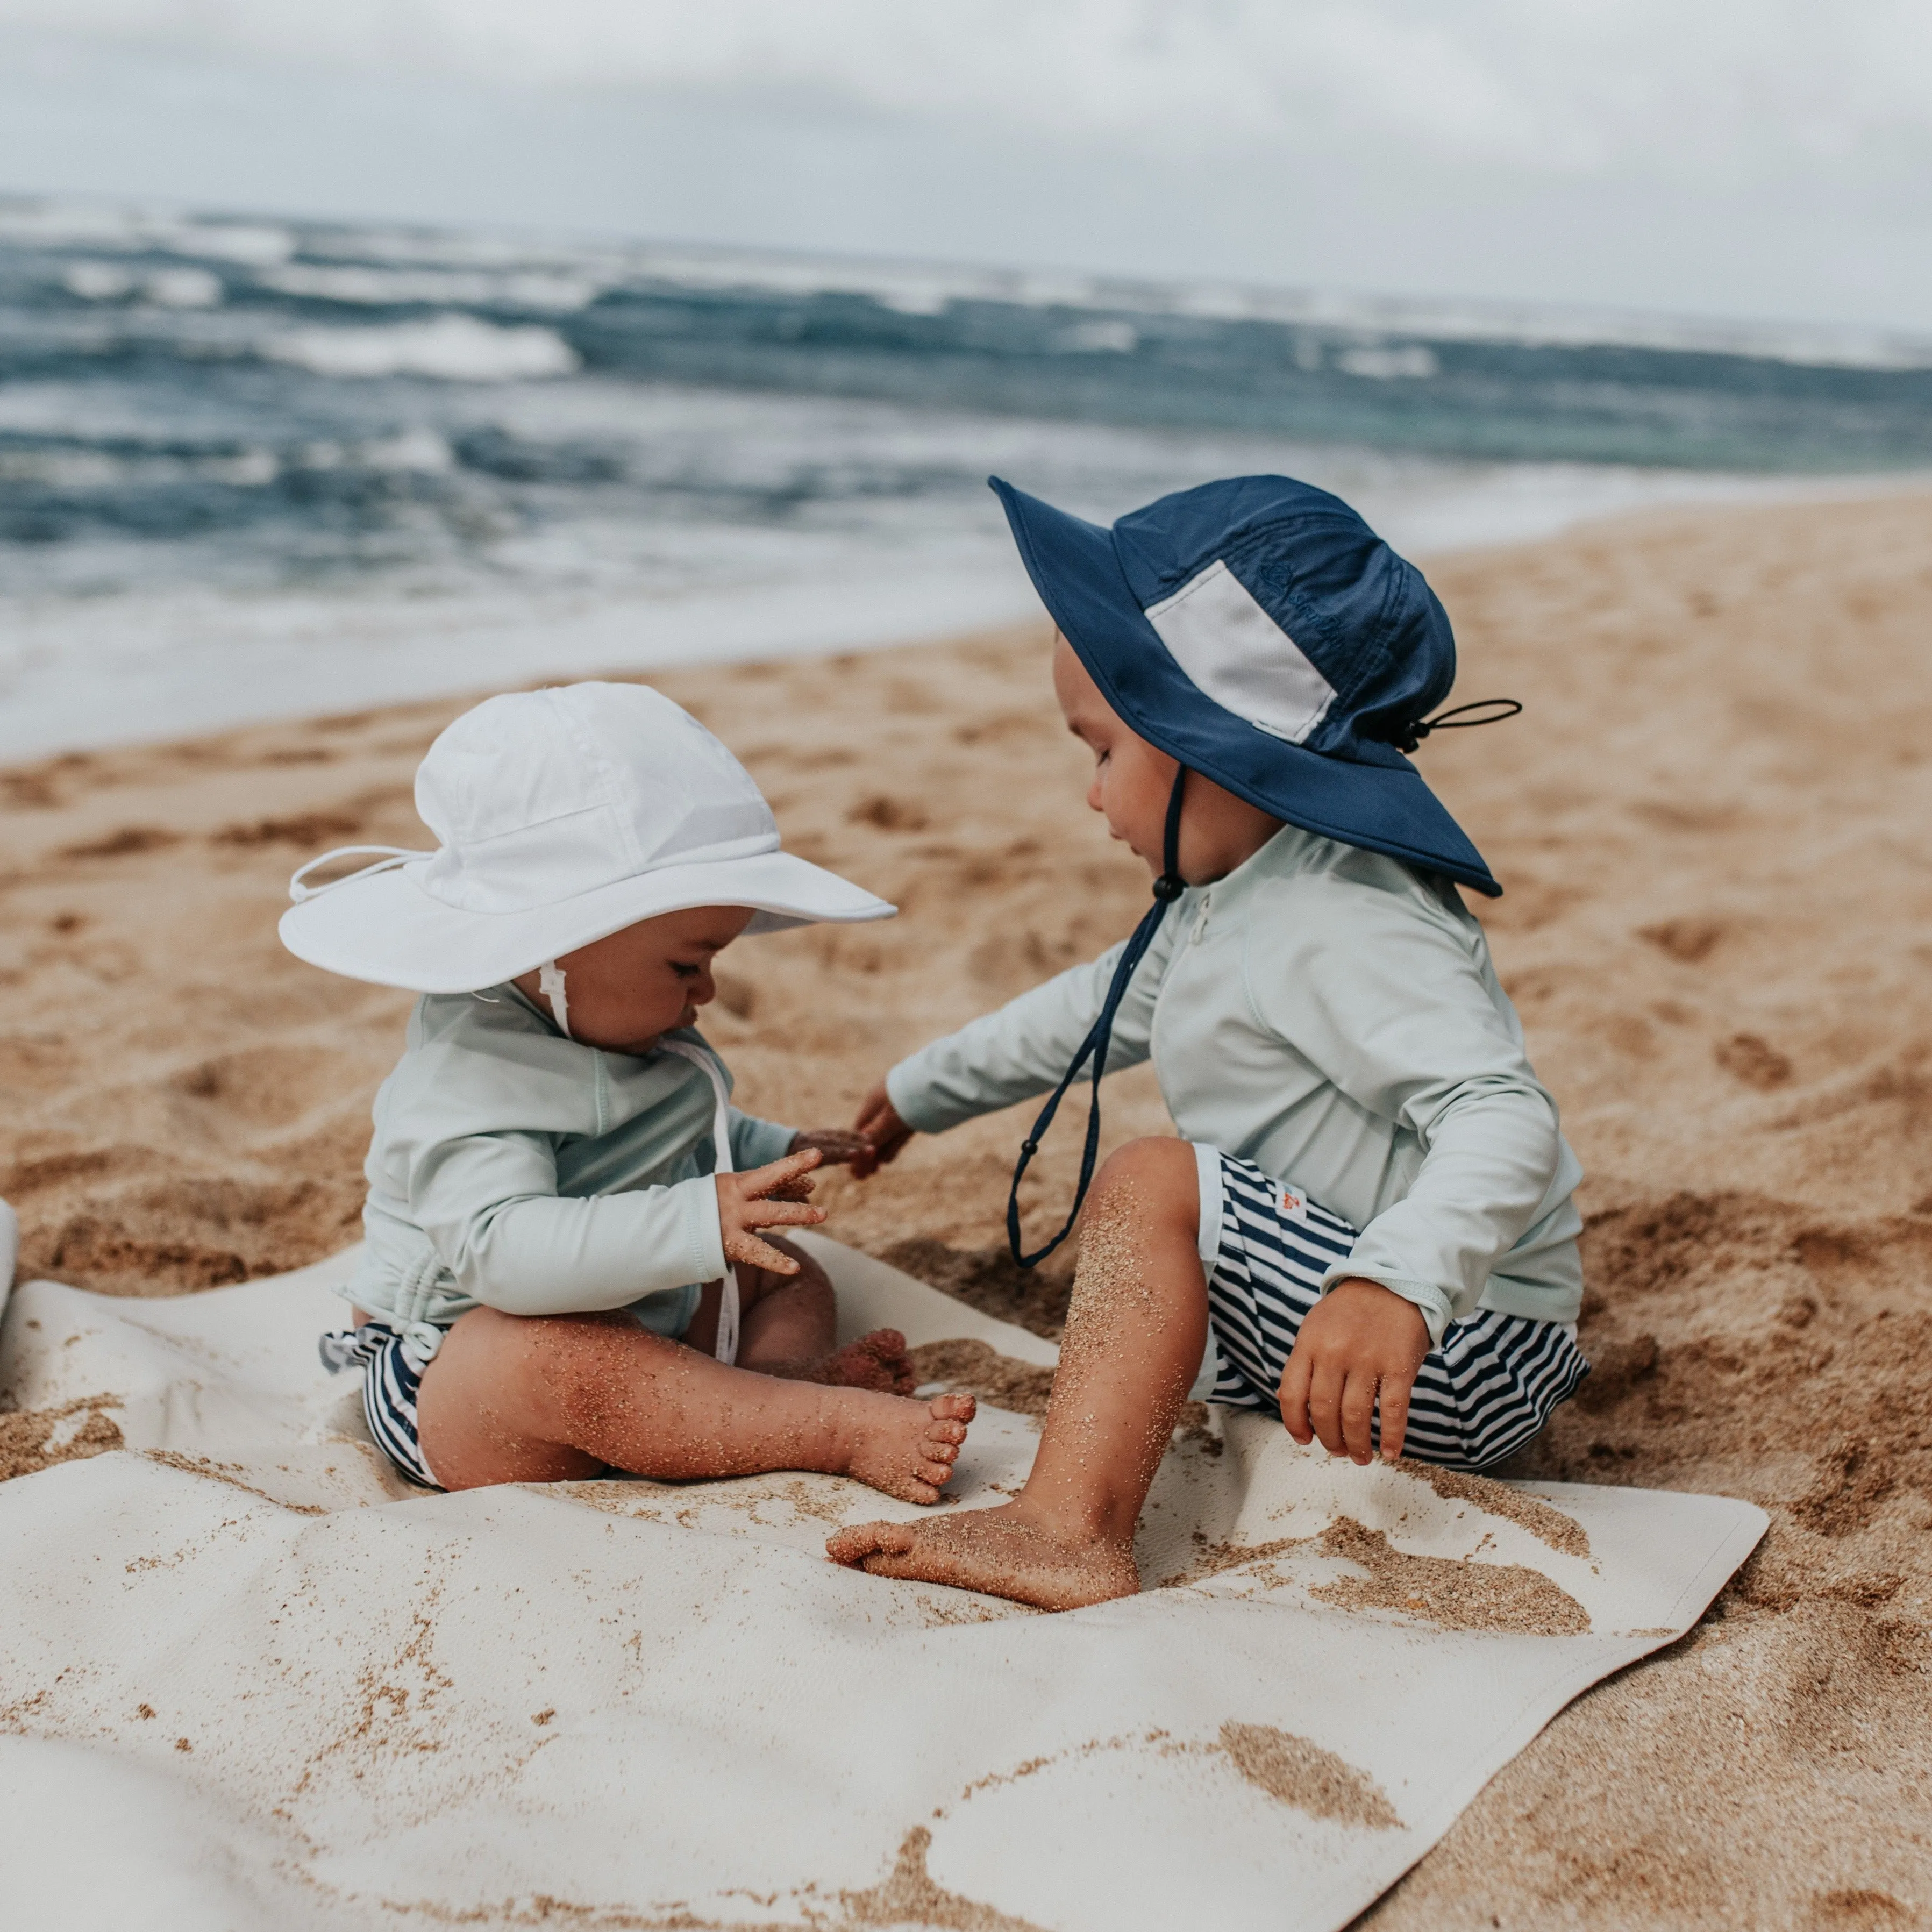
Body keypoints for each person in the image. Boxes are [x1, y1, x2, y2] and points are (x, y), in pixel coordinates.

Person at [828, 475, 1587, 1610]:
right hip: (1382, 1312)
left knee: (1150, 1184)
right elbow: (1090, 1008)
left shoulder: (1345, 914)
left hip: (1454, 1343)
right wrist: (918, 1087)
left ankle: (1065, 1529)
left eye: (1099, 751)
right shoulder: (1232, 895)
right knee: (1155, 1238)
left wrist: (1393, 1284)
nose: (1091, 797)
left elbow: (1500, 1112)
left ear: (1212, 744)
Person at [279, 680, 974, 1500]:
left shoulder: (621, 1023)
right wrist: (694, 1218)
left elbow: (671, 1126)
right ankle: (820, 1428)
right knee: (560, 1358)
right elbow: (499, 1250)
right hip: (459, 1369)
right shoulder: (468, 1075)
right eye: (686, 964)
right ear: (556, 942)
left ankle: (775, 1389)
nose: (707, 991)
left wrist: (774, 1148)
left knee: (786, 1269)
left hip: (630, 1299)